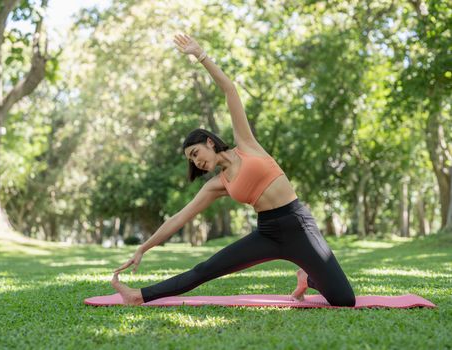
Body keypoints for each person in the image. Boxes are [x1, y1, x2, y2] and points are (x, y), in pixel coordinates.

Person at [110, 33, 356, 307]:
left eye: (195, 154)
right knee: (206, 269)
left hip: (298, 225)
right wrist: (143, 248)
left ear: (209, 142)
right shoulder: (218, 184)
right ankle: (139, 295)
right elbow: (179, 218)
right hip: (267, 233)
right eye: (191, 161)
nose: (196, 162)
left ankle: (308, 278)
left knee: (344, 299)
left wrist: (200, 55)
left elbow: (229, 90)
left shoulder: (246, 145)